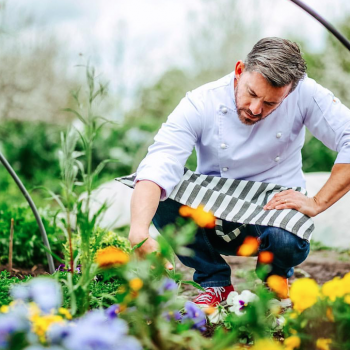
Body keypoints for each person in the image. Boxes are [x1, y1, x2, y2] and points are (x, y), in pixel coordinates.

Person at [127, 37, 350, 307]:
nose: (256, 110)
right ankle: (214, 281)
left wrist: (317, 202)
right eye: (252, 94)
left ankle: (274, 282)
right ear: (239, 70)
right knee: (164, 190)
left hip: (273, 211)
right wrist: (139, 231)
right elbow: (160, 162)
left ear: (290, 92)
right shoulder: (201, 102)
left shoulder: (306, 93)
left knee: (285, 239)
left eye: (270, 104)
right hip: (213, 214)